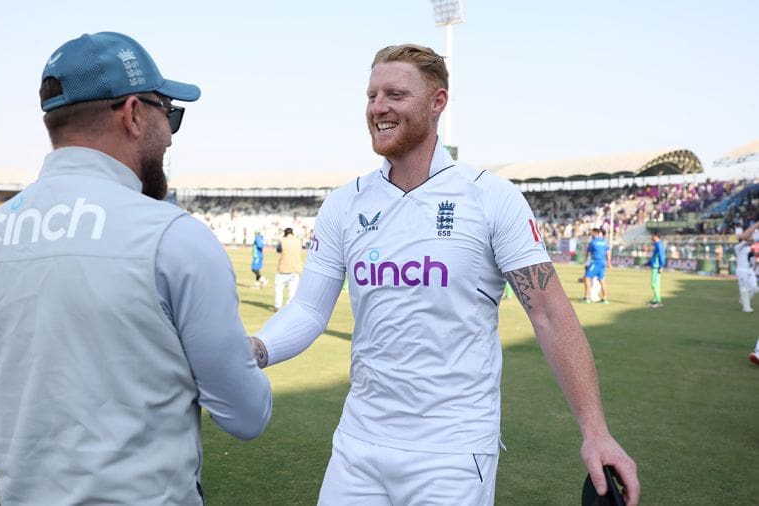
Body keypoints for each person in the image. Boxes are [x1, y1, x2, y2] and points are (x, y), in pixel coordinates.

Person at [248, 44, 639, 505]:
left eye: (395, 94)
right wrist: (254, 349)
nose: (378, 108)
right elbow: (310, 309)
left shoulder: (491, 198)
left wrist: (596, 432)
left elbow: (551, 315)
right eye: (371, 95)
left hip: (452, 452)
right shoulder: (344, 203)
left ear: (438, 102)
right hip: (358, 442)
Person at [0, 31, 271, 505]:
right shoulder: (173, 236)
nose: (169, 135)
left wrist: (25, 458)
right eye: (170, 114)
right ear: (133, 113)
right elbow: (246, 414)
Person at [274, 227, 303, 310]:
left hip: (284, 268)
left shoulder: (283, 241)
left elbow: (278, 250)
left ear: (285, 233)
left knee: (279, 288)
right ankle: (289, 307)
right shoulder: (298, 241)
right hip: (295, 269)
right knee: (292, 290)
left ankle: (278, 305)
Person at [733, 221, 759, 312]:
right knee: (743, 289)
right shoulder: (737, 247)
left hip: (749, 270)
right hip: (741, 270)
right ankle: (746, 308)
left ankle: (743, 299)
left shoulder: (749, 247)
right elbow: (746, 239)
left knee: (755, 288)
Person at [583, 227, 611, 304]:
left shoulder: (593, 242)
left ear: (595, 233)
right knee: (602, 280)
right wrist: (608, 263)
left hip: (595, 262)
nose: (591, 234)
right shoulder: (604, 242)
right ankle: (605, 299)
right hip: (603, 263)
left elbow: (588, 253)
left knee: (587, 278)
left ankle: (587, 298)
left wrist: (586, 262)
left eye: (592, 233)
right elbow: (608, 252)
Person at [649, 233, 666, 308]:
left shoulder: (659, 245)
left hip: (657, 268)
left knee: (654, 284)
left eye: (653, 237)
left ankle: (658, 301)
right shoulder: (657, 245)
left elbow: (662, 256)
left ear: (656, 237)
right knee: (656, 285)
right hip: (655, 267)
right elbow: (654, 257)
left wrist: (661, 266)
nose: (651, 238)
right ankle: (655, 300)